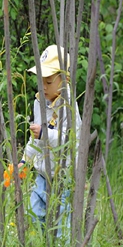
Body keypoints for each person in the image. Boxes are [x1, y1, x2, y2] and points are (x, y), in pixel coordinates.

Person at [20, 44, 79, 236]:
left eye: (49, 81)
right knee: (35, 209)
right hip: (43, 172)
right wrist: (25, 160)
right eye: (40, 80)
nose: (43, 86)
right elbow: (35, 139)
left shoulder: (68, 106)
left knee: (62, 220)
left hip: (62, 175)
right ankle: (45, 246)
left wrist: (45, 133)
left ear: (65, 79)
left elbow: (70, 138)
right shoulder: (40, 102)